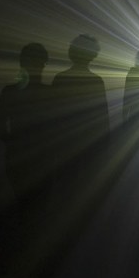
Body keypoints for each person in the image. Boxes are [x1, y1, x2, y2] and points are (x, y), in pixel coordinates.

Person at [0, 43, 56, 213]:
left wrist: (14, 143)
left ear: (22, 63)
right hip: (43, 158)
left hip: (18, 157)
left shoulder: (9, 92)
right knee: (40, 209)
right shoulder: (50, 93)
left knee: (24, 207)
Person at [51, 34, 110, 184]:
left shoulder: (60, 79)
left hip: (65, 143)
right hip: (89, 143)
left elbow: (52, 114)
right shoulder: (96, 81)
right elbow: (103, 117)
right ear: (92, 55)